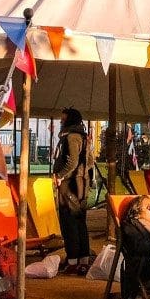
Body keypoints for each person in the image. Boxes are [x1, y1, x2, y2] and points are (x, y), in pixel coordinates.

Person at [51, 108, 96, 274]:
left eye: (63, 119)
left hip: (69, 184)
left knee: (68, 221)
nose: (61, 121)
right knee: (80, 222)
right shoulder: (83, 137)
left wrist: (61, 176)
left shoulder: (70, 137)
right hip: (82, 183)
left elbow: (72, 162)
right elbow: (90, 161)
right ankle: (83, 260)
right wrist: (84, 176)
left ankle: (72, 261)